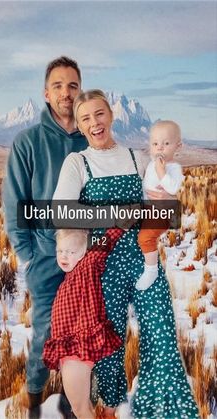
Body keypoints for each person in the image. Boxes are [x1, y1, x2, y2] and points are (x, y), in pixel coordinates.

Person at [53, 89, 200, 418]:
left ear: (111, 115)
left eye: (100, 114)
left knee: (161, 337)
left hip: (144, 262)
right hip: (102, 268)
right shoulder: (78, 163)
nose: (95, 123)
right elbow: (61, 214)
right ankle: (111, 408)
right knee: (109, 345)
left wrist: (162, 211)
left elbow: (167, 207)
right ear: (78, 125)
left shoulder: (138, 158)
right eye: (86, 118)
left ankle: (164, 411)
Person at [2, 56, 87, 417]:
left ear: (79, 90)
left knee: (83, 332)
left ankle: (71, 401)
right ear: (46, 93)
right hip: (45, 258)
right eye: (58, 86)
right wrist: (29, 254)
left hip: (87, 257)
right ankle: (34, 399)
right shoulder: (28, 141)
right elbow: (13, 200)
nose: (66, 93)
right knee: (45, 331)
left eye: (72, 85)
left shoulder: (91, 139)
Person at [43, 228, 123, 419]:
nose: (64, 256)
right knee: (83, 408)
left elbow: (108, 239)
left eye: (71, 252)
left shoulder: (88, 266)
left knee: (80, 409)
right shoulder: (66, 279)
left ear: (84, 252)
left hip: (77, 350)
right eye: (60, 251)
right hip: (69, 349)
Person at [135, 120, 184, 291]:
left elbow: (172, 187)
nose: (160, 148)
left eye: (166, 143)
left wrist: (161, 171)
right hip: (148, 210)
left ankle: (151, 271)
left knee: (145, 237)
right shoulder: (150, 164)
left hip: (161, 214)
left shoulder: (174, 168)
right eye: (155, 144)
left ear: (178, 146)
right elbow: (145, 188)